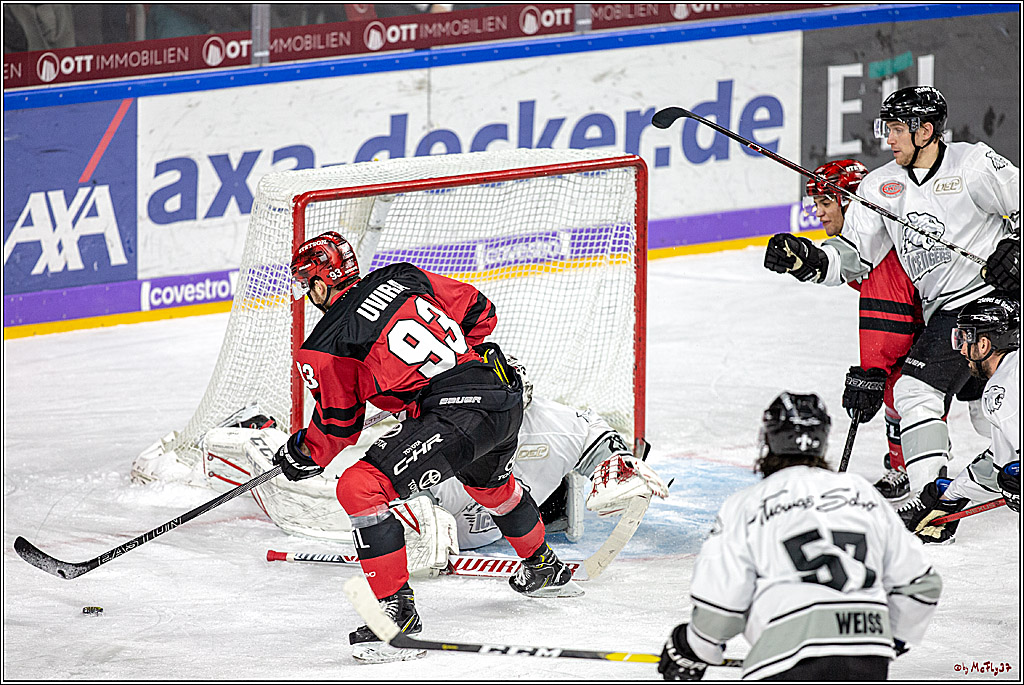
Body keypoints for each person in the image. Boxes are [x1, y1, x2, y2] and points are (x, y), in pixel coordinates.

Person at [277, 231, 581, 663]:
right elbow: (481, 312)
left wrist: (301, 454)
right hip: (498, 392)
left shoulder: (326, 344)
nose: (309, 295)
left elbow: (337, 428)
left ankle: (397, 620)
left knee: (360, 487)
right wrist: (445, 375)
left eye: (309, 286)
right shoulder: (404, 277)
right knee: (492, 488)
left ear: (322, 282)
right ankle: (545, 568)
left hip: (456, 415)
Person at [764, 85, 1020, 497]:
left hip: (993, 297)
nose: (888, 138)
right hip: (947, 311)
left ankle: (928, 496)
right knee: (986, 410)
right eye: (888, 127)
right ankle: (996, 472)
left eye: (898, 128)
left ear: (926, 131)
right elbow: (853, 255)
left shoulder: (972, 162)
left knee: (918, 390)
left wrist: (1018, 247)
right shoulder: (880, 186)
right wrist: (808, 261)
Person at [198, 385, 669, 569]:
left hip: (487, 527)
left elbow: (610, 448)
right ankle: (257, 435)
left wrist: (622, 467)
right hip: (436, 512)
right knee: (314, 502)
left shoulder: (554, 420)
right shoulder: (449, 429)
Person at [657, 392, 941, 681]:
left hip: (784, 664)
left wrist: (690, 647)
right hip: (867, 661)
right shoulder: (861, 492)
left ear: (768, 440)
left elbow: (722, 609)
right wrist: (886, 639)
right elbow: (922, 585)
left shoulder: (747, 505)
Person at [804, 159, 922, 500]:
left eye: (826, 203)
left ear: (851, 201)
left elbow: (890, 319)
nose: (820, 213)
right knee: (901, 389)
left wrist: (873, 370)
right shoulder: (866, 243)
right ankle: (906, 463)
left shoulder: (881, 246)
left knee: (909, 390)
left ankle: (910, 467)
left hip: (958, 318)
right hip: (929, 319)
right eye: (817, 204)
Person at [900, 295, 1020, 543]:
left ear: (984, 344)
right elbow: (1001, 463)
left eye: (965, 338)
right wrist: (951, 496)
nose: (962, 349)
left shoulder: (1002, 388)